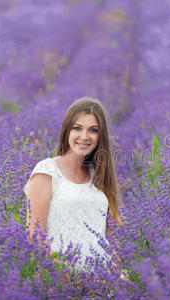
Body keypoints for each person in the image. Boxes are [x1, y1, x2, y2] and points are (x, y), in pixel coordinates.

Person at [23, 96, 122, 273]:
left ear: (100, 136)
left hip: (104, 282)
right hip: (63, 283)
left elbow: (110, 231)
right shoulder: (47, 171)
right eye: (77, 128)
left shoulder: (99, 173)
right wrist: (73, 279)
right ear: (67, 131)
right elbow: (34, 237)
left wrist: (115, 272)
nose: (84, 137)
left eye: (93, 130)